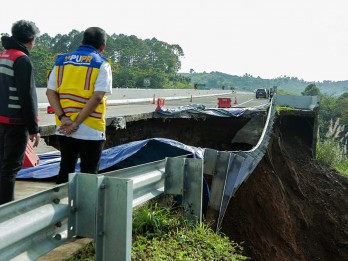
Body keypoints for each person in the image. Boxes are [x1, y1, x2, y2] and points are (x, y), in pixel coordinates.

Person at [46, 27, 112, 184]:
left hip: (64, 127)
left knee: (65, 169)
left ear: (82, 42)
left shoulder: (61, 61)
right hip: (91, 128)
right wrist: (76, 123)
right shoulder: (101, 64)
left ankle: (60, 205)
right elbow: (97, 97)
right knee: (89, 174)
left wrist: (64, 118)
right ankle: (87, 208)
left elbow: (50, 92)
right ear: (102, 47)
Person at [0, 20, 41, 205]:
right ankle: (6, 210)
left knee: (2, 164)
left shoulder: (3, 55)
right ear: (31, 39)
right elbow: (27, 97)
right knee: (10, 167)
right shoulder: (22, 60)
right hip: (15, 123)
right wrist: (34, 128)